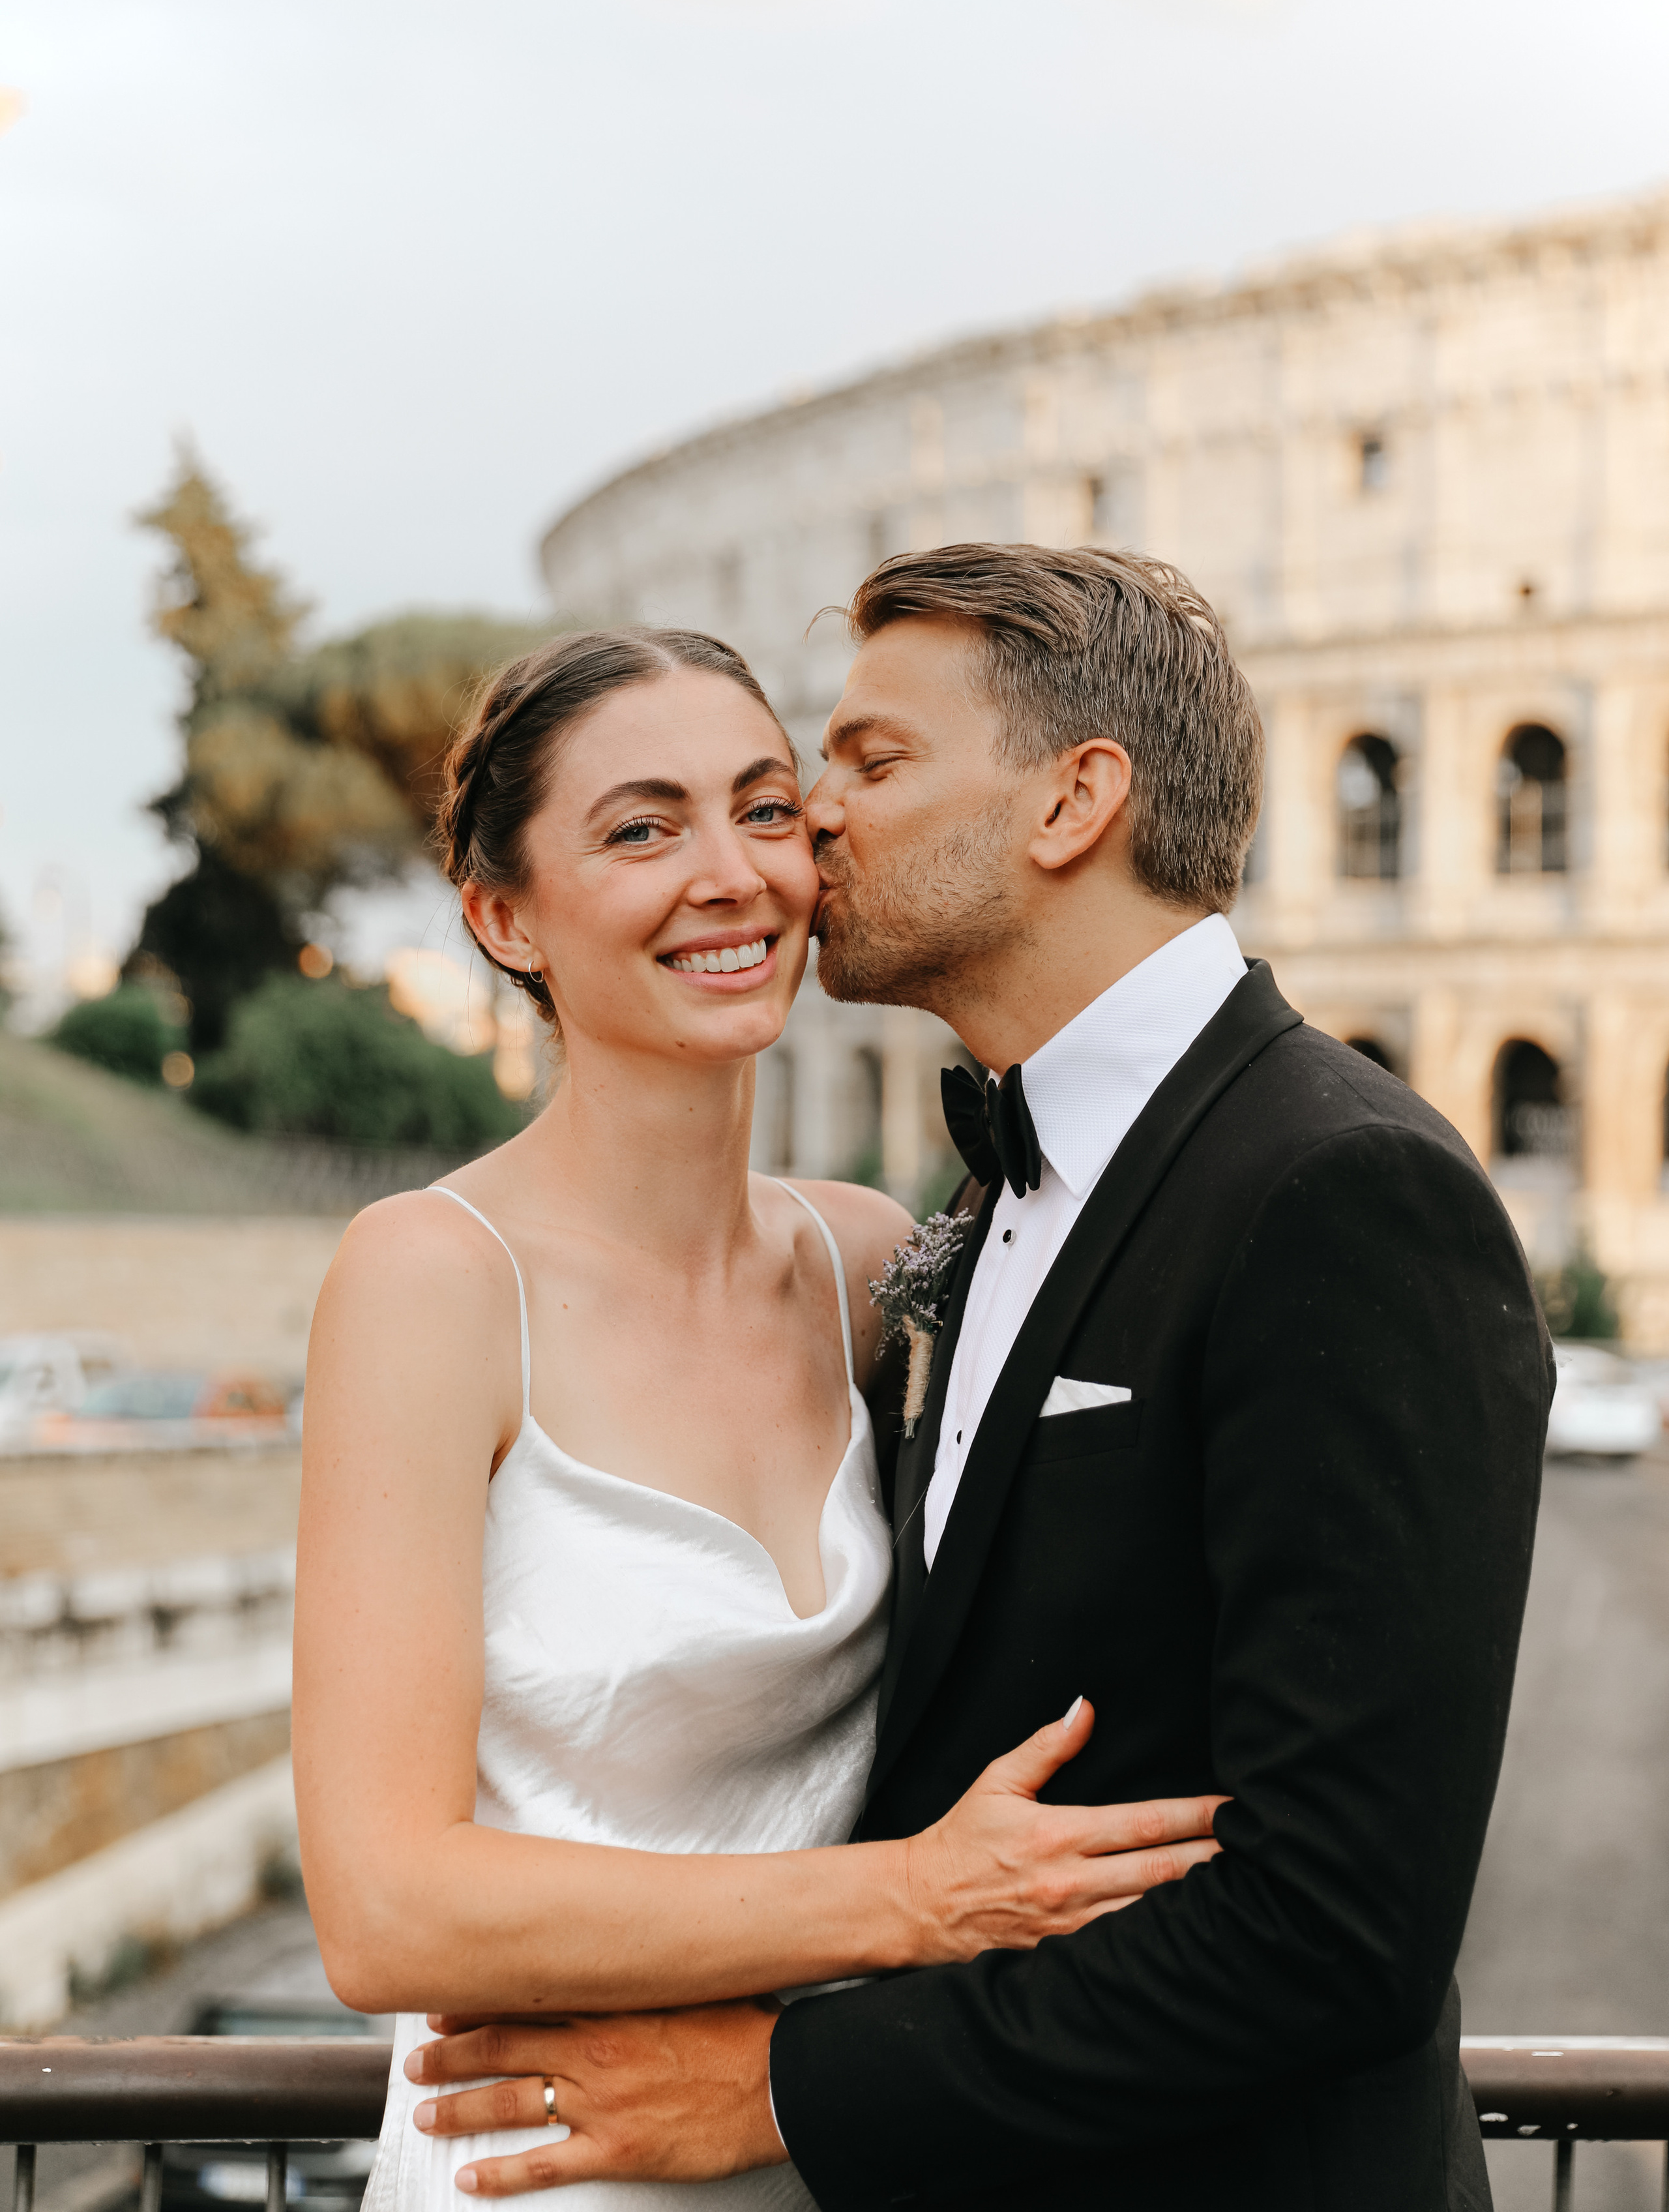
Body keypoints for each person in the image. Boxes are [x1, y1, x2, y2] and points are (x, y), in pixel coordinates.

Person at [411, 547, 1554, 2211]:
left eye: (870, 763)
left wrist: (780, 2087)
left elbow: (1336, 1927)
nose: (810, 822)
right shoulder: (963, 1213)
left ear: (1071, 801)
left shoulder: (1342, 1188)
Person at [291, 623, 1227, 2212]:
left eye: (765, 808)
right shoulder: (430, 1279)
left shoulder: (866, 1261)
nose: (728, 876)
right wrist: (911, 1901)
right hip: (542, 2175)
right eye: (640, 830)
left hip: (822, 2152)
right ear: (502, 916)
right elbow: (385, 1909)